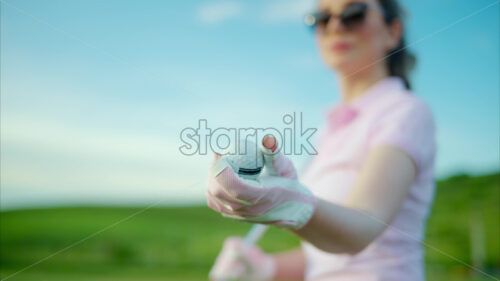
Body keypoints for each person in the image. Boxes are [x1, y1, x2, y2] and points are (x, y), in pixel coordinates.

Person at [206, 0, 436, 280]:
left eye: (354, 14)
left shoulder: (405, 110)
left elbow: (361, 228)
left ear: (392, 31)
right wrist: (264, 268)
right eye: (322, 18)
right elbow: (327, 257)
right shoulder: (328, 131)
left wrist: (292, 204)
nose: (336, 26)